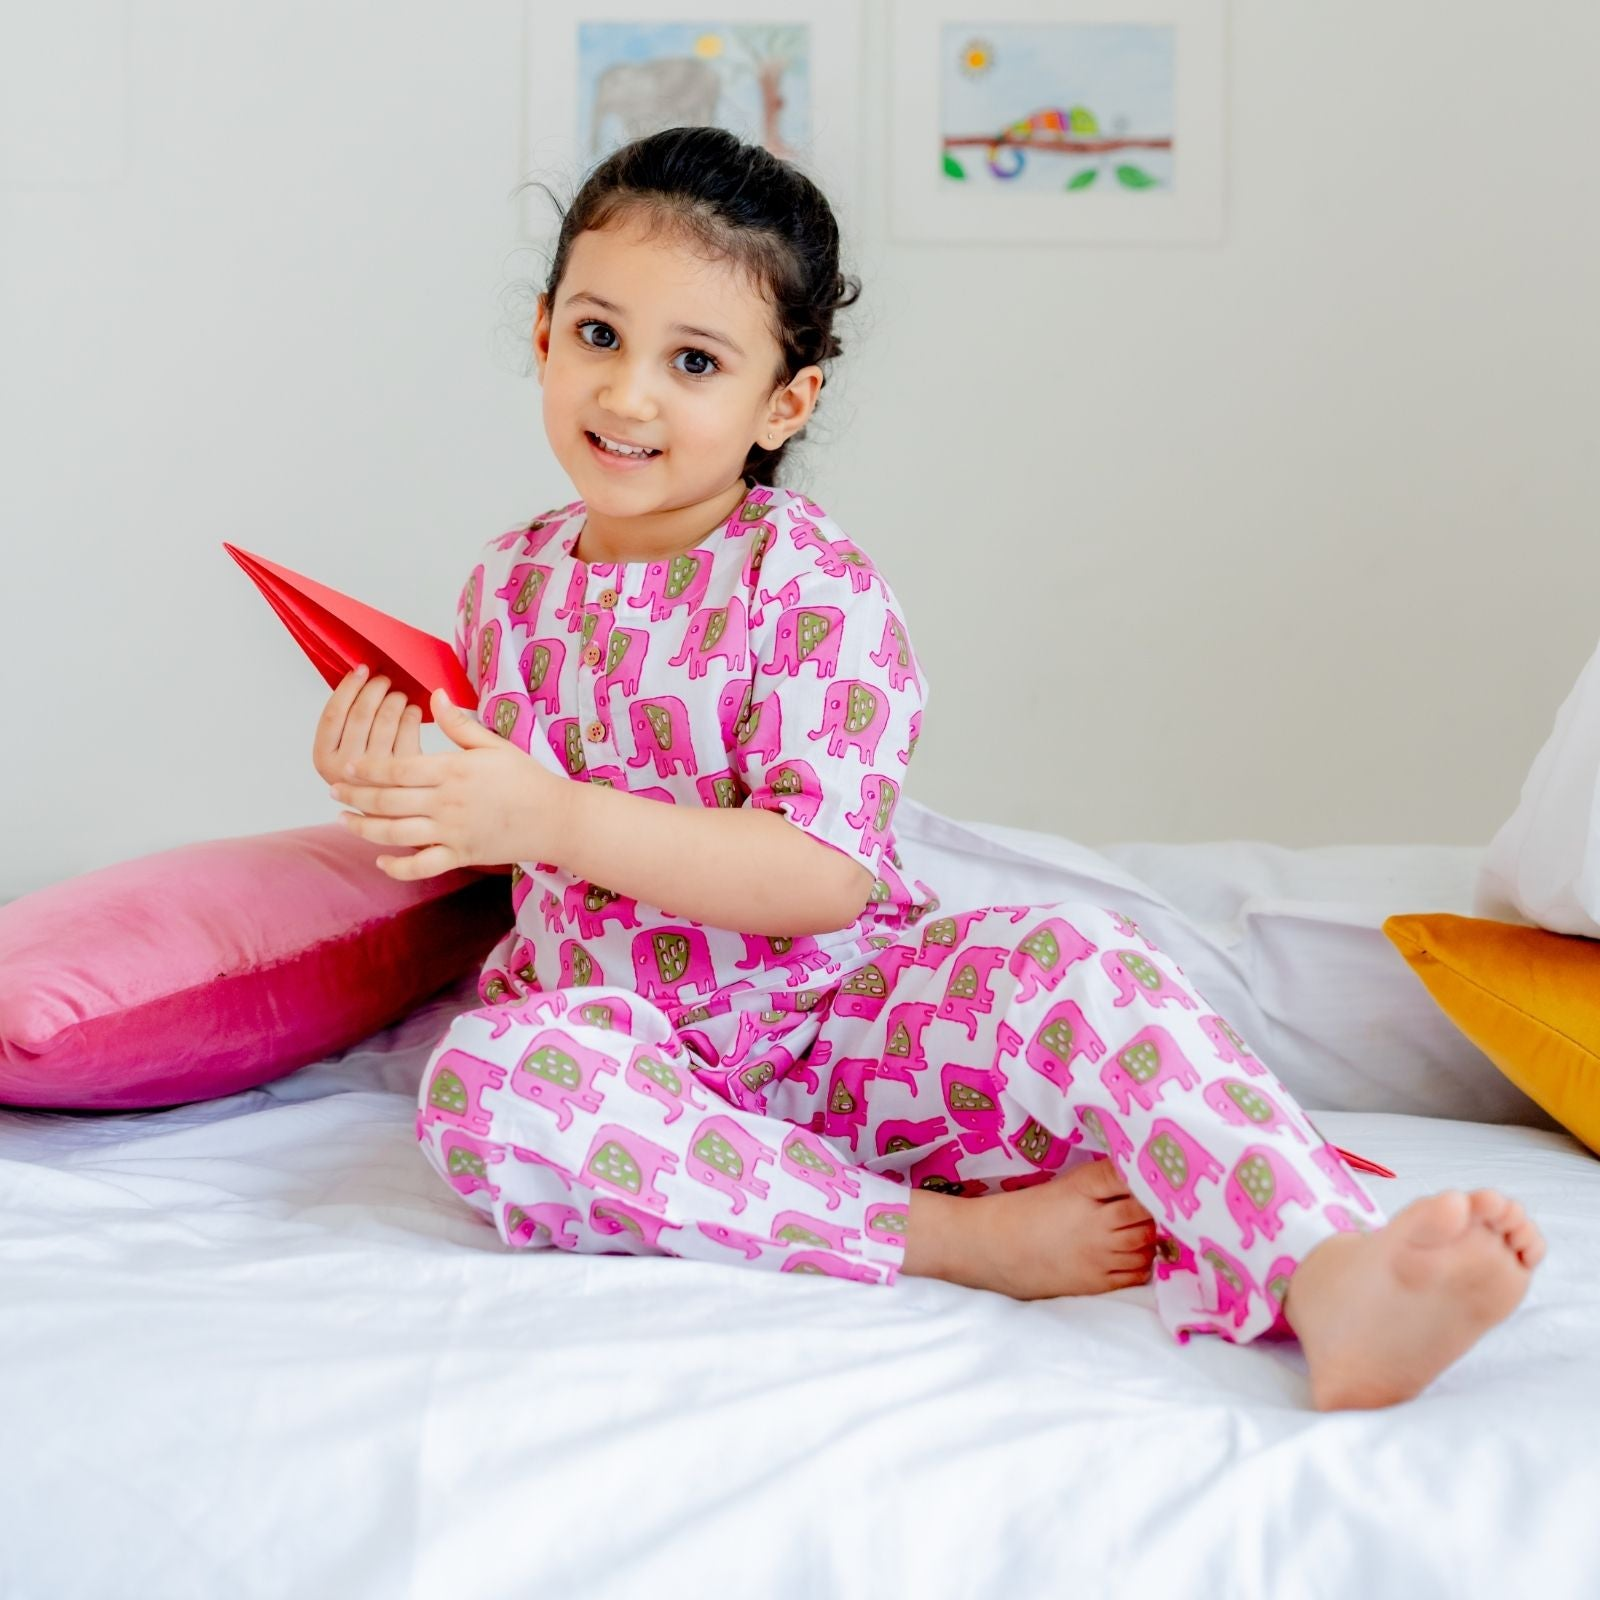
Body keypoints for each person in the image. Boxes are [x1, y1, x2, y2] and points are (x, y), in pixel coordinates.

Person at [311, 125, 1544, 1411]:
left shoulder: (806, 586)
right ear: (542, 333)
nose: (628, 396)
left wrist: (551, 815)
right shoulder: (507, 583)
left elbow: (821, 873)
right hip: (635, 1060)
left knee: (1083, 958)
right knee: (488, 1088)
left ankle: (1327, 1268)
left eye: (694, 361)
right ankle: (947, 1237)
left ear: (783, 402)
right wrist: (406, 783)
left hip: (846, 1031)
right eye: (598, 336)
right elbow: (511, 829)